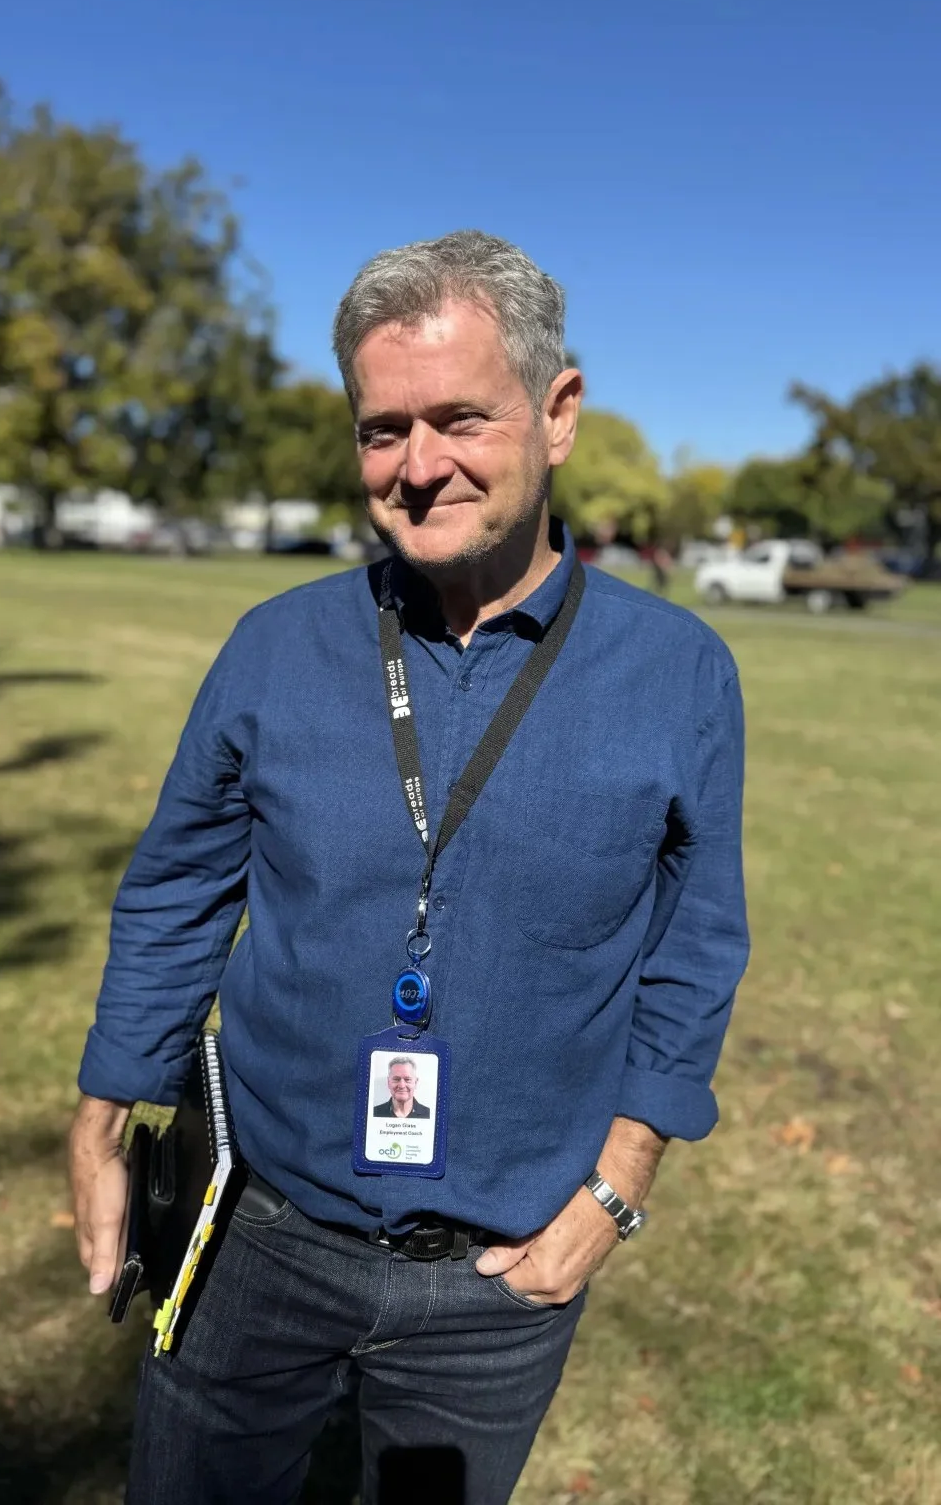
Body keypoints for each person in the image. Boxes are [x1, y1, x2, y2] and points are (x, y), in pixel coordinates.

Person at [69, 230, 748, 1505]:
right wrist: (107, 1111)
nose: (419, 466)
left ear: (558, 412)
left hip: (500, 1280)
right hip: (255, 1235)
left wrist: (616, 1189)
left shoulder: (679, 674)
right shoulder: (274, 647)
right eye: (384, 429)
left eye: (460, 419)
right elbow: (177, 888)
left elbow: (696, 945)